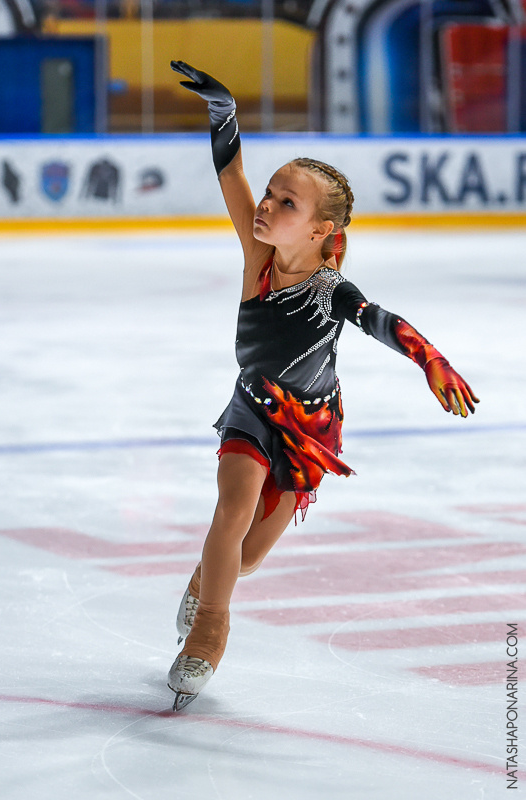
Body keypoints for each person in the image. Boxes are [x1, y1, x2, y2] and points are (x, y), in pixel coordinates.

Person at [167, 61, 479, 711]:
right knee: (230, 511)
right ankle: (208, 634)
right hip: (252, 406)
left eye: (286, 203)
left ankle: (208, 581)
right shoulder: (258, 263)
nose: (266, 205)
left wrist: (430, 360)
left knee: (246, 555)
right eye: (271, 194)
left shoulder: (331, 291)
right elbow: (231, 175)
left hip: (312, 430)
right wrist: (222, 110)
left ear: (319, 233)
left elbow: (382, 323)